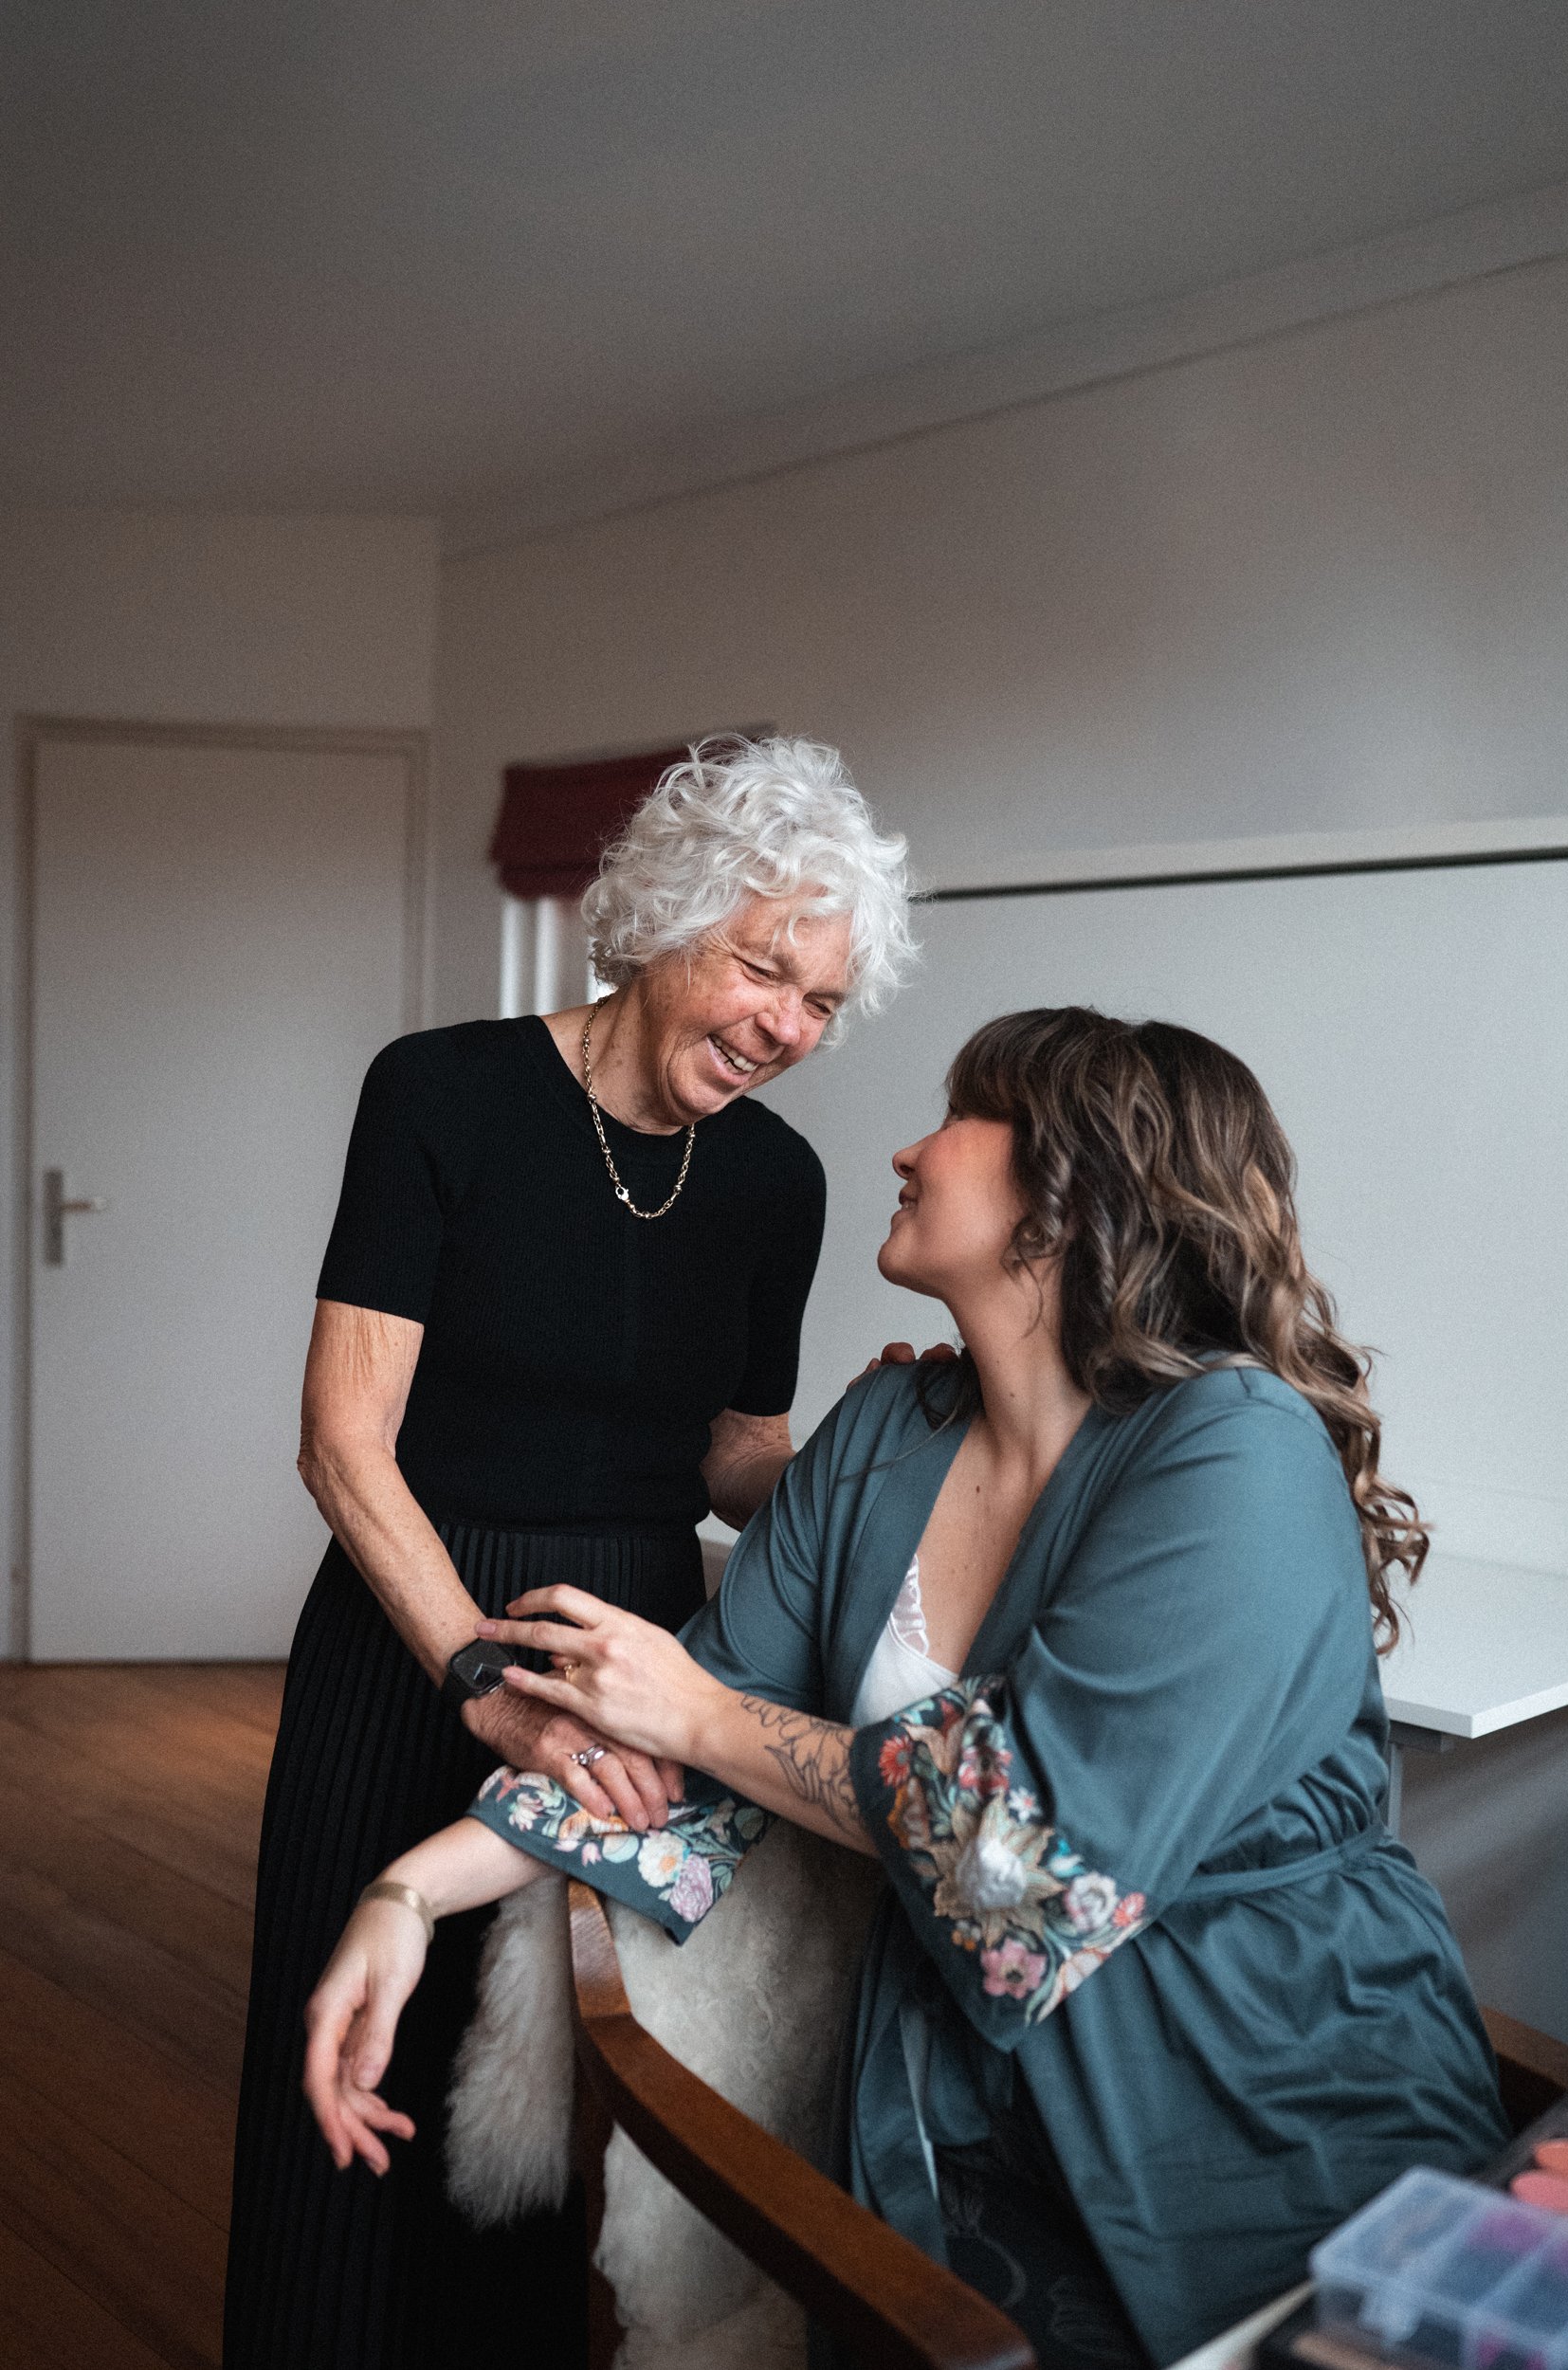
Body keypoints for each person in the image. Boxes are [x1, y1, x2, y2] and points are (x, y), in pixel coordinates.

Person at [302, 1007, 1508, 2370]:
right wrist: (413, 1893)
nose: (907, 1145)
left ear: (1068, 1186)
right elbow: (677, 1743)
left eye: (957, 1115)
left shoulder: (1239, 1454)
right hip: (952, 2115)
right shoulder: (886, 1429)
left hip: (1262, 2100)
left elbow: (1029, 1874)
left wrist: (700, 1716)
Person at [224, 737, 915, 2370]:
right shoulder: (441, 1092)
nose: (785, 1030)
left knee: (545, 2078)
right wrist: (472, 1664)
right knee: (349, 2052)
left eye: (819, 1003)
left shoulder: (780, 1181)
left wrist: (873, 1458)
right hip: (416, 1618)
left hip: (635, 1646)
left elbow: (731, 1453)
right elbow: (342, 1441)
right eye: (762, 970)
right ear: (665, 919)